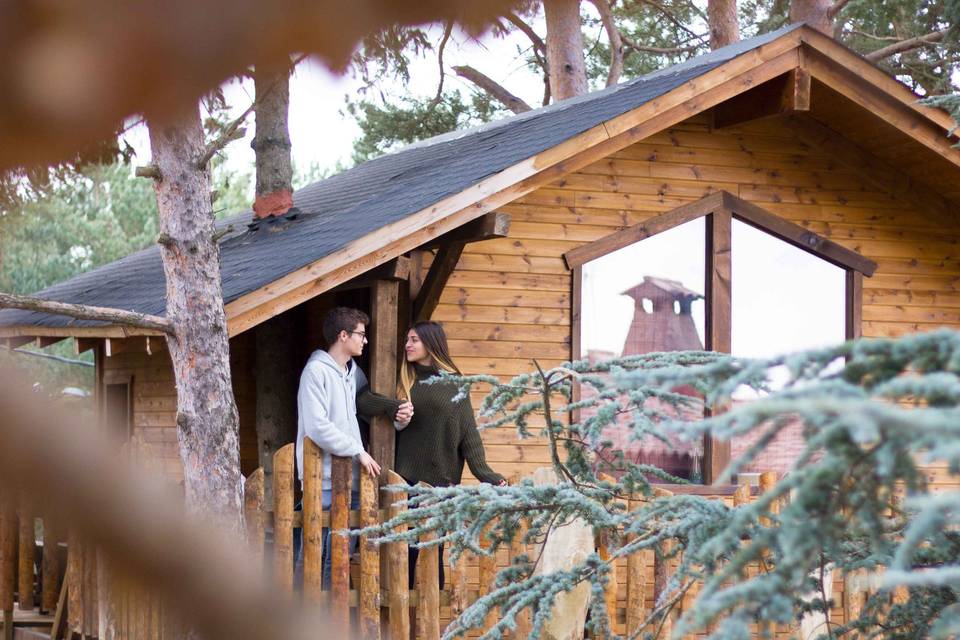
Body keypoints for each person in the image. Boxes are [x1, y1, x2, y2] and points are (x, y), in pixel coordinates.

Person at [295, 306, 413, 589]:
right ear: (343, 335)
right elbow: (317, 427)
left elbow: (365, 403)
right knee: (315, 556)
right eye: (361, 334)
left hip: (353, 480)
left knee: (339, 557)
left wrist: (397, 415)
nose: (366, 340)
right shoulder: (315, 373)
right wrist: (358, 450)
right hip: (322, 478)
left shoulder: (352, 373)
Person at [394, 320, 506, 589]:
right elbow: (366, 401)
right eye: (407, 340)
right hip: (404, 481)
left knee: (434, 553)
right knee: (405, 554)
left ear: (431, 344)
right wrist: (391, 407)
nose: (408, 345)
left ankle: (431, 623)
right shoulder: (401, 379)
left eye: (414, 340)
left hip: (441, 483)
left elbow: (469, 436)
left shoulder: (456, 384)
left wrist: (488, 475)